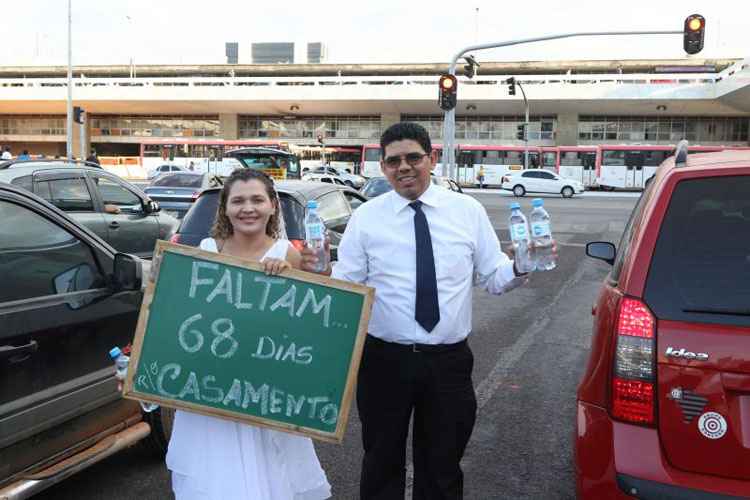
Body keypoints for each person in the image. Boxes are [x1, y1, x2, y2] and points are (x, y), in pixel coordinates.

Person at [302, 122, 552, 499]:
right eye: (393, 161)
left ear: (431, 159)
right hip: (384, 361)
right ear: (383, 168)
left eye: (413, 158)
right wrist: (321, 272)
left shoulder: (467, 211)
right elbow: (348, 286)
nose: (404, 167)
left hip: (448, 364)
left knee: (442, 466)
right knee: (380, 461)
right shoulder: (368, 218)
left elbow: (493, 277)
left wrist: (521, 265)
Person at [165, 168, 332, 500]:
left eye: (257, 199)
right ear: (225, 208)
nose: (248, 208)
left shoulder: (287, 254)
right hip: (211, 394)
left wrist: (306, 275)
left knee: (269, 481)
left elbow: (317, 323)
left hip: (265, 396)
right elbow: (178, 319)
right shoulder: (205, 250)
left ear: (272, 206)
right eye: (238, 201)